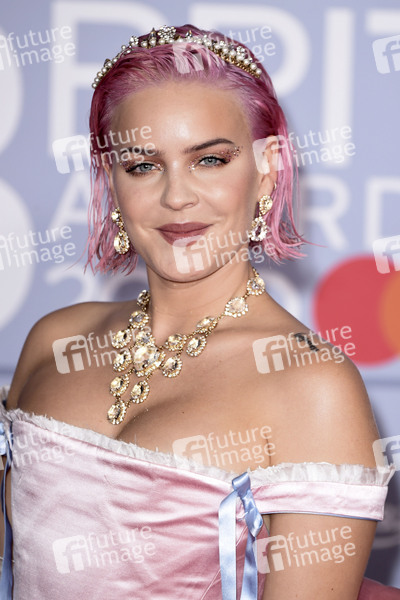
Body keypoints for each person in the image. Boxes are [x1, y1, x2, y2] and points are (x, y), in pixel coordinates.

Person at [0, 23, 399, 600]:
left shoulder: (312, 387)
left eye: (209, 160)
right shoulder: (53, 341)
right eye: (142, 166)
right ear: (111, 181)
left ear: (267, 170)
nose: (176, 197)